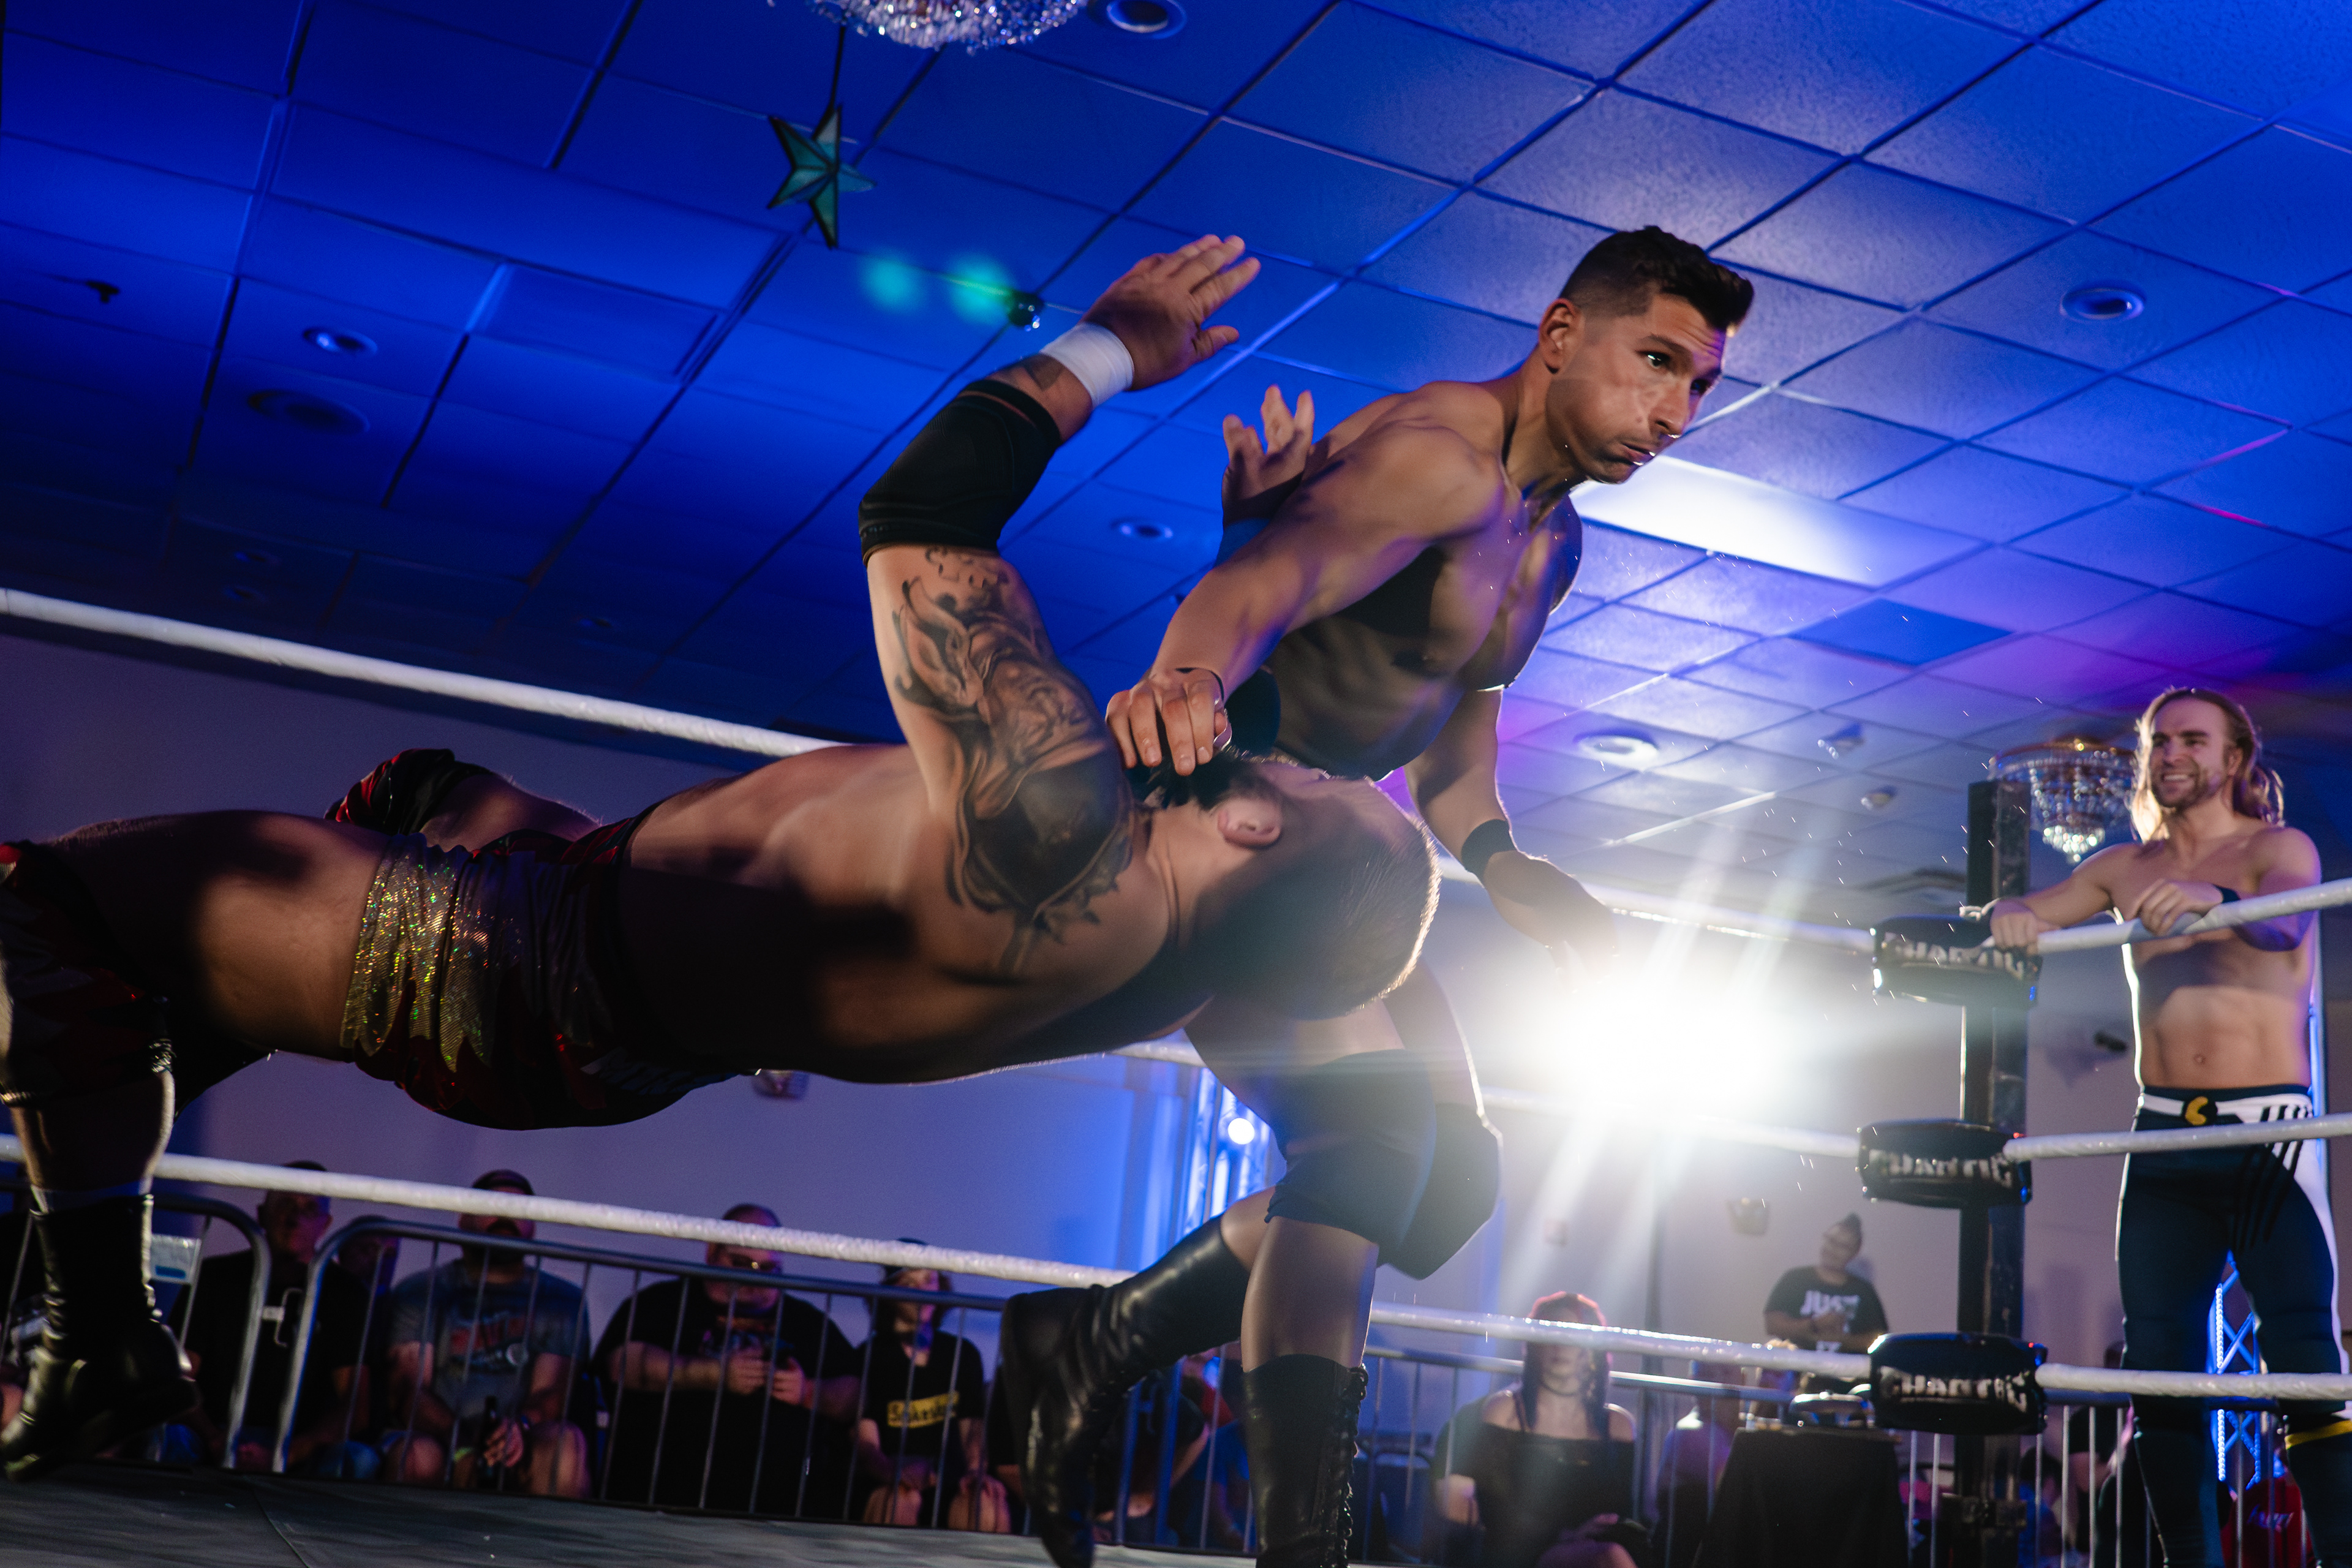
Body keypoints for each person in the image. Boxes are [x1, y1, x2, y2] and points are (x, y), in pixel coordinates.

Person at [0, 235, 1440, 1483]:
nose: (1296, 755)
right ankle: (111, 1188)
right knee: (414, 790)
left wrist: (1110, 346)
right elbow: (1251, 741)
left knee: (48, 909)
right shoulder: (1173, 970)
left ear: (1258, 831)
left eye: (1320, 785)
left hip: (500, 966)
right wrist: (1248, 544)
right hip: (592, 954)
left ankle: (96, 1328)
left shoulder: (1060, 825)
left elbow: (923, 511)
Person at [1011, 227, 1752, 1568]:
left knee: (1450, 1177)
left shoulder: (1553, 540)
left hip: (1350, 851)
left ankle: (1099, 1339)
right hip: (1233, 816)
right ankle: (1304, 1544)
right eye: (1655, 362)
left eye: (1698, 385)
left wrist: (1515, 871)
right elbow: (1255, 590)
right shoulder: (1433, 456)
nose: (1674, 412)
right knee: (1364, 1155)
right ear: (1562, 333)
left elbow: (1452, 745)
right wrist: (1188, 678)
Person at [1989, 687, 2351, 1566]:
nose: (2172, 754)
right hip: (2160, 1137)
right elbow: (2039, 909)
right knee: (2159, 1364)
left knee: (2304, 1354)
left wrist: (2212, 898)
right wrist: (2008, 915)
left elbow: (2286, 924)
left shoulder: (2277, 848)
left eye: (2193, 739)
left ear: (2235, 758)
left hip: (2264, 1134)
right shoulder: (2122, 867)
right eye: (2159, 741)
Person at [593, 1202, 858, 1514]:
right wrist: (713, 1374)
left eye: (768, 1269)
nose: (754, 1278)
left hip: (776, 1510)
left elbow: (855, 1395)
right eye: (741, 1263)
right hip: (658, 1498)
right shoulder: (663, 1302)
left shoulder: (806, 1322)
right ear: (712, 1253)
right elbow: (620, 1364)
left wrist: (807, 1392)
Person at [377, 1170, 589, 1496]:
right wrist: (463, 1442)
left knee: (565, 1443)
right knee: (416, 1456)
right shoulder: (420, 1290)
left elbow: (551, 1394)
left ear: (533, 1227)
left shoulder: (562, 1300)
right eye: (493, 1205)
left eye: (520, 1210)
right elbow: (409, 1391)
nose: (506, 1216)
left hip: (523, 1438)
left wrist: (518, 1428)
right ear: (464, 1219)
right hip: (438, 1438)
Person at [164, 1161, 373, 1476]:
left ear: (325, 1224)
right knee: (164, 1439)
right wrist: (215, 1439)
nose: (294, 1218)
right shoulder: (214, 1277)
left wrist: (287, 1452)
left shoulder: (346, 1292)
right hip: (212, 1432)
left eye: (309, 1209)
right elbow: (179, 1377)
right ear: (262, 1215)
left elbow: (355, 1404)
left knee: (357, 1460)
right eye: (285, 1205)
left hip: (301, 1444)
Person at [1428, 1292, 1643, 1568]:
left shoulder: (1618, 1425)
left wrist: (1596, 1531)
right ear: (1533, 1346)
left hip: (1591, 1548)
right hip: (1523, 1552)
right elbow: (1495, 1508)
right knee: (1609, 1557)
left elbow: (1622, 1511)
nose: (1559, 1345)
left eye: (1571, 1335)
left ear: (1593, 1350)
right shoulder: (1506, 1411)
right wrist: (1566, 1535)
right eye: (1549, 1334)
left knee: (1614, 1553)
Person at [851, 1258, 1002, 1530]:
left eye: (929, 1281)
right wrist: (895, 1473)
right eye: (909, 1283)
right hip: (892, 1482)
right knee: (897, 1502)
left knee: (984, 1500)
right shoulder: (870, 1356)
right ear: (890, 1293)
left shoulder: (962, 1353)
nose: (923, 1291)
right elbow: (866, 1445)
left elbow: (972, 1428)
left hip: (950, 1482)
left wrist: (975, 1471)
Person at [1760, 1213, 1888, 1370]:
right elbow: (1772, 1324)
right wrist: (1814, 1325)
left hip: (1845, 1378)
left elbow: (1880, 1339)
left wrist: (1841, 1340)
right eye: (1831, 1241)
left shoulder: (1863, 1291)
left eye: (1843, 1246)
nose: (1833, 1250)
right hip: (1795, 1374)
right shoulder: (1795, 1279)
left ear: (1855, 1252)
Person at [1654, 1362, 1748, 1568]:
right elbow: (1735, 1478)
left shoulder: (1743, 1426)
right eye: (1706, 1374)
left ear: (1742, 1379)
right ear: (1693, 1382)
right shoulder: (1687, 1433)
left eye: (1725, 1372)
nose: (1716, 1381)